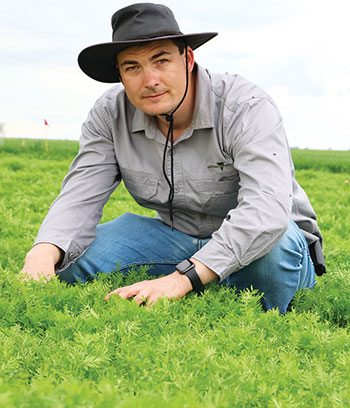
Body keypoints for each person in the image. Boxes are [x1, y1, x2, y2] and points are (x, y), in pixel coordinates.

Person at [22, 2, 325, 314]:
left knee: (271, 254)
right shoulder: (109, 113)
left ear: (188, 59)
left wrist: (181, 280)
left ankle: (196, 286)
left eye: (161, 60)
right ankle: (198, 284)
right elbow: (80, 195)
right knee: (72, 260)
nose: (149, 80)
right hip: (174, 236)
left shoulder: (245, 106)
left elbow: (266, 211)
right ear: (120, 76)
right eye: (132, 67)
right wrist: (41, 254)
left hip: (267, 239)